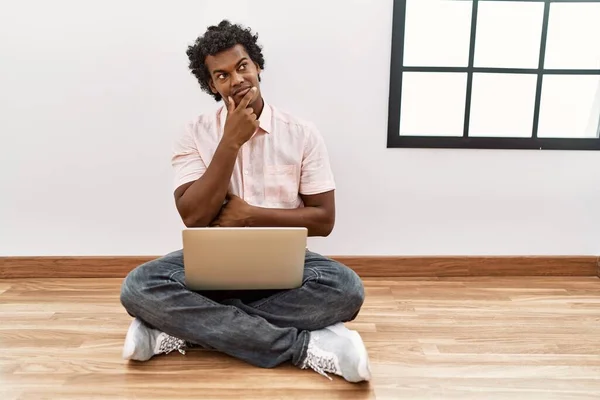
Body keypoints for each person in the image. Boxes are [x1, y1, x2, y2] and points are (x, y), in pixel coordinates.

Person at [119, 20, 371, 383]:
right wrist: (230, 142)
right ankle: (306, 347)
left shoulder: (301, 133)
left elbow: (324, 220)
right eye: (222, 75)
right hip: (213, 264)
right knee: (139, 287)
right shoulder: (193, 133)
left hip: (283, 265)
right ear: (211, 85)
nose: (236, 80)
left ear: (257, 66)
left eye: (242, 67)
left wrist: (250, 216)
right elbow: (193, 216)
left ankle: (180, 329)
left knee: (346, 290)